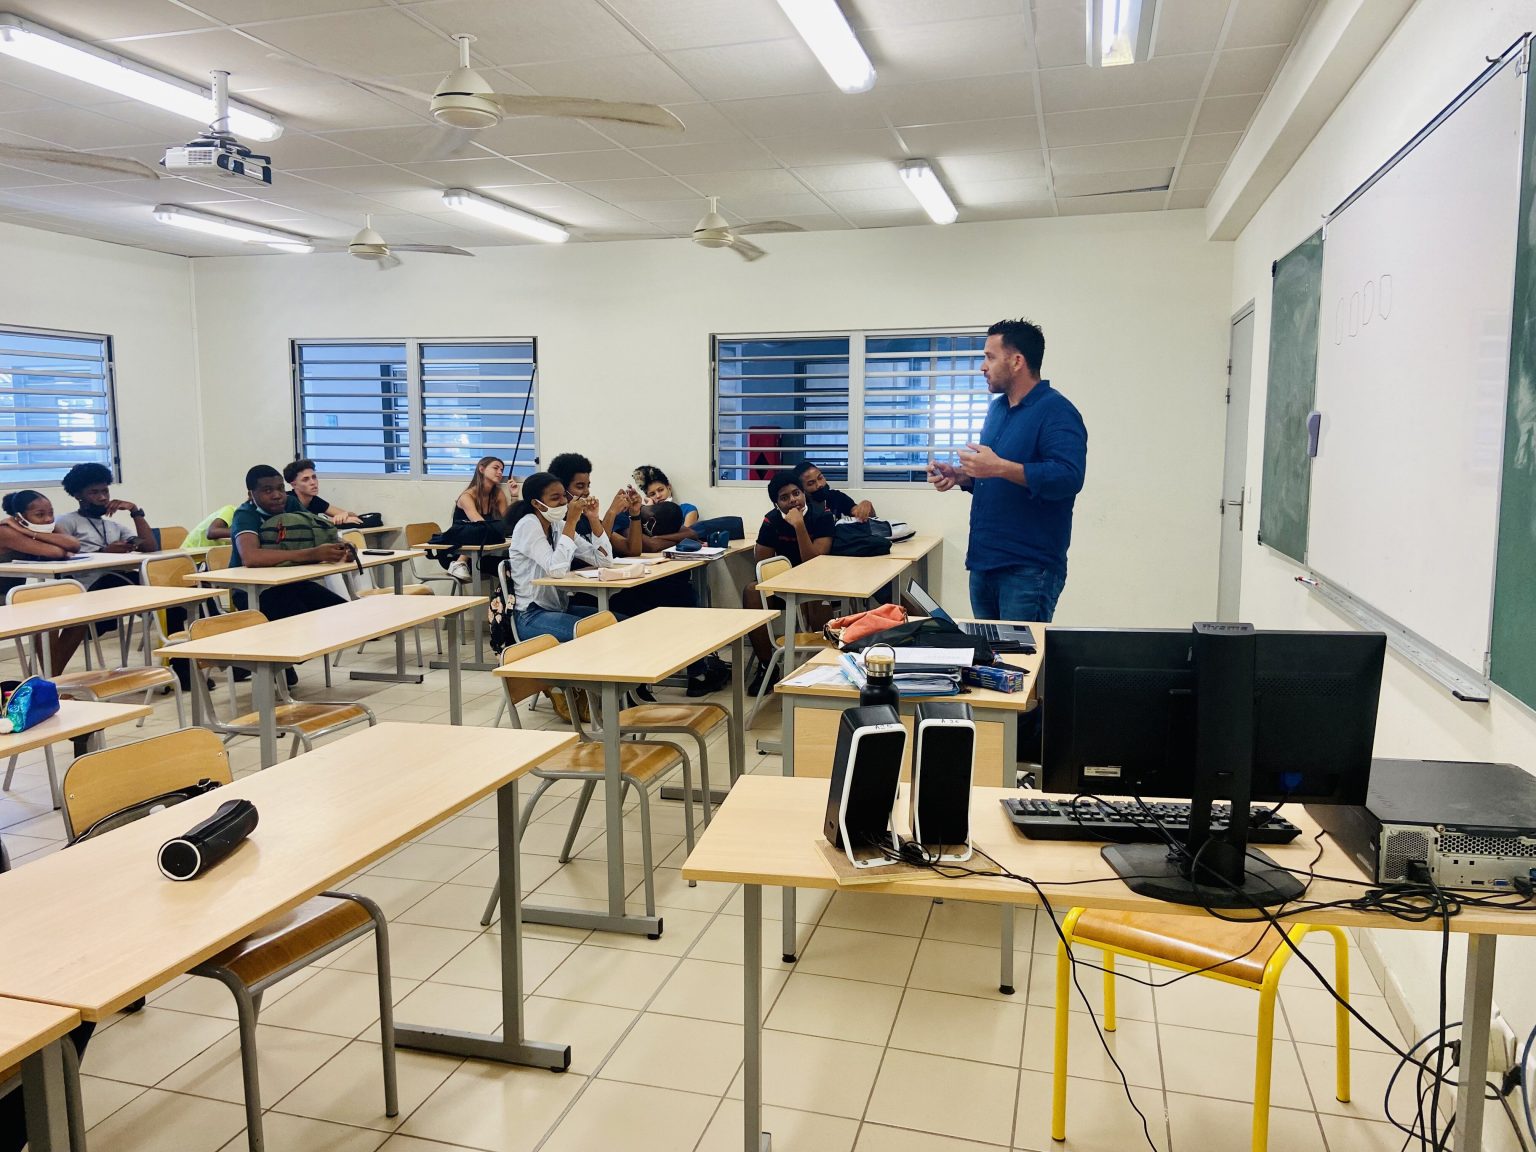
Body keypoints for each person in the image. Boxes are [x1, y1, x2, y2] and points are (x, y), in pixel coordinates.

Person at [927, 318, 1087, 625]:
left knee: (1019, 654)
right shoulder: (997, 409)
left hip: (1028, 567)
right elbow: (997, 475)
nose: (982, 367)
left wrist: (998, 466)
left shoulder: (1057, 411)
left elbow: (1068, 476)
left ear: (1016, 361)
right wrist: (962, 476)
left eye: (990, 357)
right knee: (989, 653)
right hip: (984, 561)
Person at [743, 471, 837, 679]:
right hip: (785, 583)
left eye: (796, 493)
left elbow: (814, 563)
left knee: (813, 593)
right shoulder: (772, 520)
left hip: (819, 580)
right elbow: (762, 564)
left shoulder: (822, 514)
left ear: (803, 493)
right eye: (784, 498)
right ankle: (767, 666)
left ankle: (828, 662)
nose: (793, 500)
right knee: (752, 591)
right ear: (776, 503)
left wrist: (799, 526)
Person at [503, 471, 615, 642]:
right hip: (531, 615)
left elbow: (604, 560)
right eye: (555, 498)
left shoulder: (557, 524)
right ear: (537, 503)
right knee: (598, 634)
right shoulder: (528, 525)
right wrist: (571, 521)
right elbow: (557, 570)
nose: (563, 501)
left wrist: (593, 519)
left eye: (564, 496)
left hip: (559, 608)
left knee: (618, 622)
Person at [229, 465, 350, 620]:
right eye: (268, 490)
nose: (277, 495)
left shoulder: (290, 503)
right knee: (302, 620)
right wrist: (312, 554)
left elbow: (319, 530)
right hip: (253, 590)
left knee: (343, 614)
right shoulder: (246, 514)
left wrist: (343, 547)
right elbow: (251, 557)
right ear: (251, 494)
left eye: (280, 488)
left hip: (291, 583)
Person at [0, 490, 89, 671]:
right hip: (4, 600)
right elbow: (55, 552)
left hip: (12, 597)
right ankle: (52, 678)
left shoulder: (31, 529)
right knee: (46, 616)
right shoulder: (5, 531)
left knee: (80, 618)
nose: (48, 519)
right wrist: (27, 531)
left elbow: (73, 544)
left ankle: (52, 676)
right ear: (20, 517)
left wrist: (26, 530)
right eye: (40, 515)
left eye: (51, 513)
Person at [53, 462, 155, 589]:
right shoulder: (66, 521)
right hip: (86, 586)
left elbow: (149, 547)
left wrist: (134, 511)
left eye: (105, 491)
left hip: (118, 580)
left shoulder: (113, 526)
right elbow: (58, 557)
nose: (103, 498)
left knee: (151, 580)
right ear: (78, 495)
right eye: (94, 492)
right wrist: (104, 552)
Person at [448, 456, 512, 582]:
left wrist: (514, 495)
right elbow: (481, 526)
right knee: (481, 530)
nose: (500, 472)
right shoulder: (467, 496)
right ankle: (459, 563)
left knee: (511, 565)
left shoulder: (498, 494)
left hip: (480, 554)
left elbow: (508, 523)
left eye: (502, 470)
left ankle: (502, 595)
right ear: (481, 469)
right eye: (496, 468)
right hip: (457, 553)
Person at [284, 459, 361, 525]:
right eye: (305, 479)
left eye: (314, 477)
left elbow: (353, 516)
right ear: (294, 485)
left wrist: (345, 514)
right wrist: (333, 521)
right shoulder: (287, 500)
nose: (313, 482)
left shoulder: (314, 500)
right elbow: (306, 524)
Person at [793, 461, 875, 522]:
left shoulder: (836, 496)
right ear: (801, 489)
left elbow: (857, 511)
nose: (819, 485)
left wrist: (866, 506)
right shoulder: (799, 507)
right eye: (811, 483)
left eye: (820, 478)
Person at [632, 465, 700, 527]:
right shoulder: (647, 516)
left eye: (661, 490)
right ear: (648, 497)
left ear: (669, 488)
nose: (658, 496)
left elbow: (687, 535)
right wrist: (649, 511)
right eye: (652, 494)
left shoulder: (687, 510)